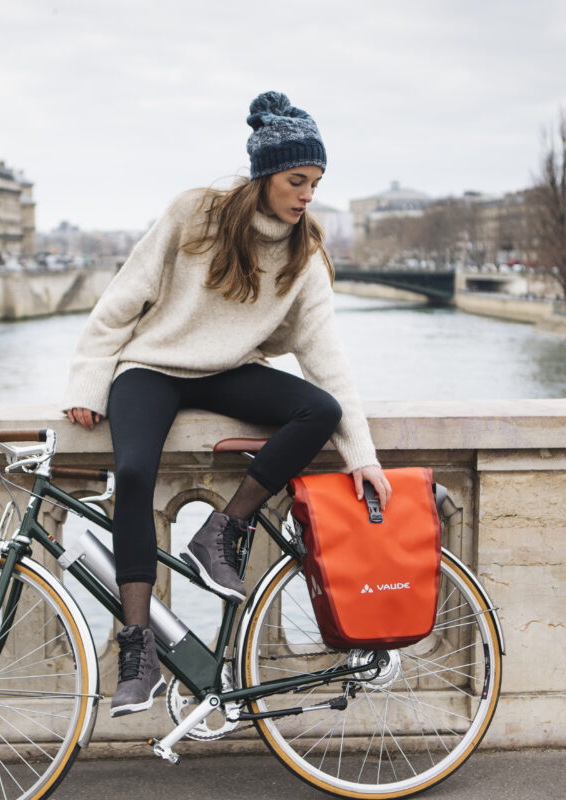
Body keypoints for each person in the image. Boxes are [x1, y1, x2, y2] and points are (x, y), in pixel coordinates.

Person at [62, 90, 391, 718]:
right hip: (152, 366)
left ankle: (224, 529)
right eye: (298, 180)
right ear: (266, 175)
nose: (307, 195)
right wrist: (86, 380)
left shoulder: (304, 254)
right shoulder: (195, 214)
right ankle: (138, 652)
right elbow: (123, 297)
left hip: (229, 371)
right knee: (132, 473)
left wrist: (363, 456)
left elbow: (328, 360)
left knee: (318, 409)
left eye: (316, 183)